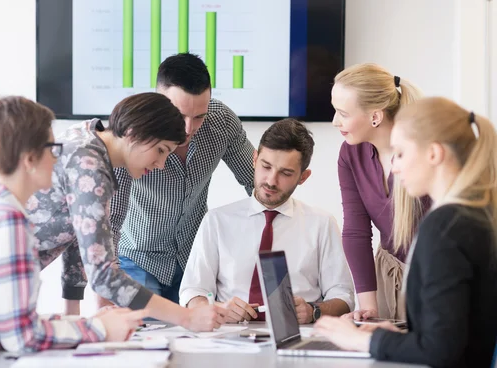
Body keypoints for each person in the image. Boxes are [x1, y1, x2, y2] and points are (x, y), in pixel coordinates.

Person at [0, 97, 146, 365]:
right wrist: (99, 329)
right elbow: (23, 338)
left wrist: (85, 323)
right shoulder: (7, 223)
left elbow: (13, 322)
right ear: (30, 158)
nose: (58, 158)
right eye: (53, 149)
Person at [315, 97, 497, 367]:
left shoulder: (446, 226)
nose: (395, 166)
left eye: (400, 153)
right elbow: (454, 331)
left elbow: (440, 349)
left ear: (434, 154)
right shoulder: (475, 214)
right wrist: (396, 338)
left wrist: (361, 341)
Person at [26, 92, 226, 330]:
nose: (160, 164)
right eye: (161, 150)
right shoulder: (91, 168)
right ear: (133, 134)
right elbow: (103, 275)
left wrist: (73, 313)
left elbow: (79, 234)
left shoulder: (88, 136)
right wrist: (187, 317)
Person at [109, 53, 255, 303]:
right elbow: (109, 220)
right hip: (136, 259)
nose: (188, 128)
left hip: (195, 260)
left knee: (202, 337)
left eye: (199, 116)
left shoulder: (221, 123)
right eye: (179, 114)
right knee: (140, 338)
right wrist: (105, 285)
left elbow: (256, 180)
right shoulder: (132, 134)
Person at [179, 119, 354, 323]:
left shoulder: (321, 224)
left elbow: (344, 296)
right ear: (254, 159)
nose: (271, 180)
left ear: (303, 177)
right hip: (230, 336)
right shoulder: (217, 221)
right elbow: (192, 291)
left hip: (299, 336)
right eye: (266, 166)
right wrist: (218, 308)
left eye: (286, 173)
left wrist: (313, 310)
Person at [331, 63, 428, 320]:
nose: (334, 122)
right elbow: (355, 231)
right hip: (389, 277)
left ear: (375, 116)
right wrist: (367, 306)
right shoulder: (350, 154)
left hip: (436, 279)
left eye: (343, 113)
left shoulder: (425, 152)